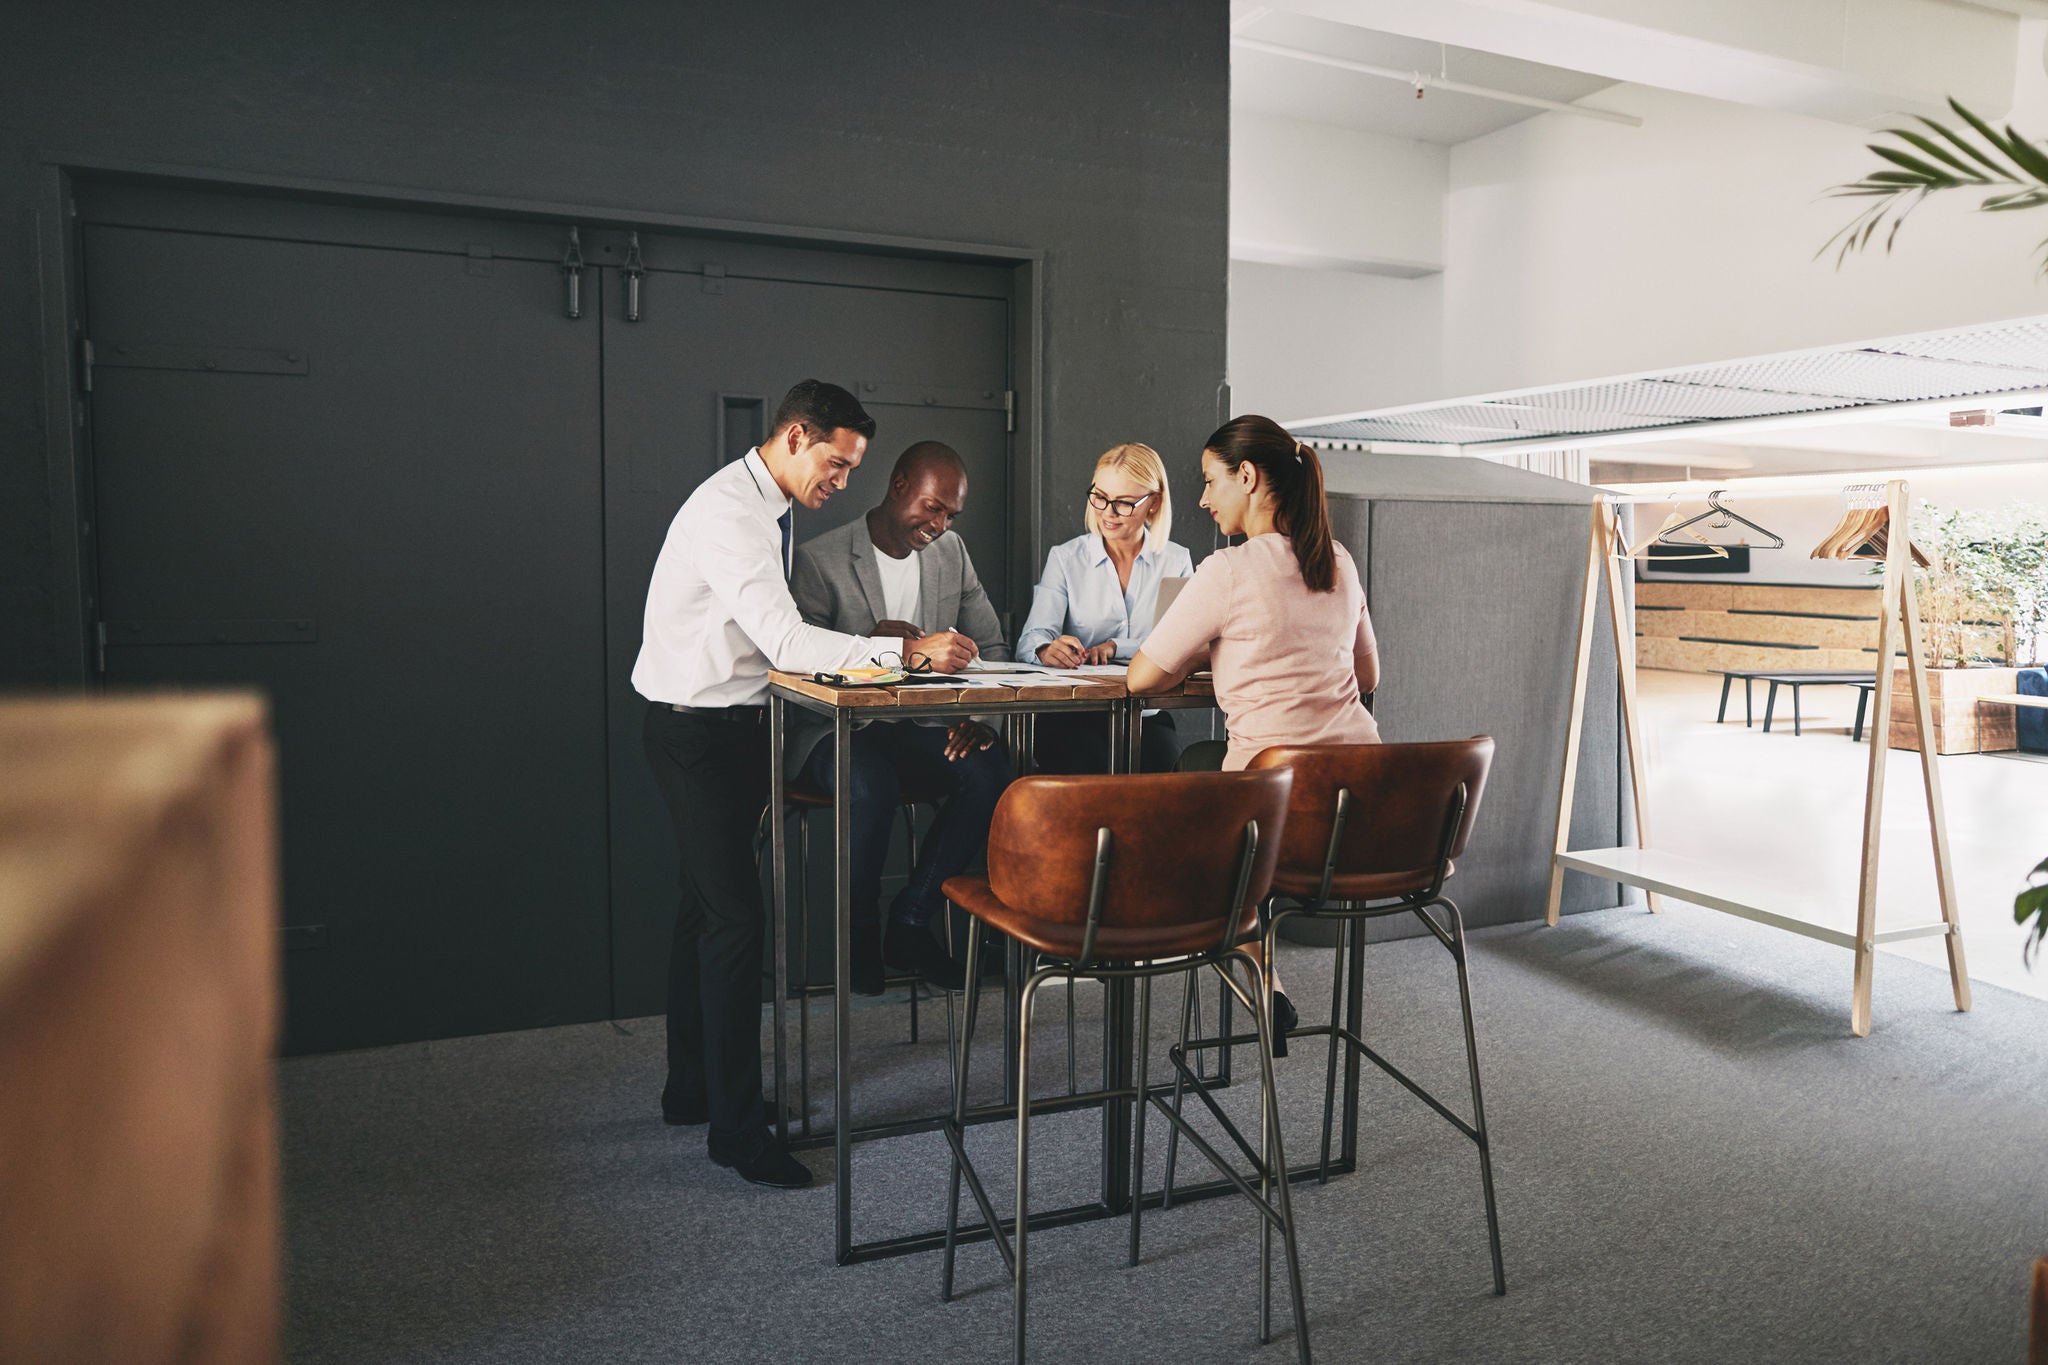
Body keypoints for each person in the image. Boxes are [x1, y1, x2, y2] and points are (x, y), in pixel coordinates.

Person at [633, 380, 976, 1189]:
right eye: (836, 462)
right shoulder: (733, 514)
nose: (843, 483)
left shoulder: (765, 505)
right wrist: (908, 654)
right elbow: (784, 640)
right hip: (697, 734)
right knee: (734, 923)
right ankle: (738, 1133)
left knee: (701, 913)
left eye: (852, 468)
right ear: (794, 436)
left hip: (735, 730)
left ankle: (692, 1091)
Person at [1127, 414, 1380, 1052]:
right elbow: (1368, 672)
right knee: (1207, 767)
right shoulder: (1339, 561)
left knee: (1199, 783)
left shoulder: (1226, 570)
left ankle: (1258, 974)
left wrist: (1218, 646)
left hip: (1271, 819)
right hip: (1365, 818)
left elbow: (1141, 678)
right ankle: (1258, 967)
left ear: (1248, 476)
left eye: (1212, 481)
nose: (1206, 499)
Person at [788, 441, 1012, 995]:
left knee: (991, 768)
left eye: (950, 514)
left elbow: (993, 645)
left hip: (922, 728)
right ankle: (857, 931)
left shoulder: (952, 554)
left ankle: (911, 921)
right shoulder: (821, 560)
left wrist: (980, 719)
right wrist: (874, 649)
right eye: (932, 508)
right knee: (869, 782)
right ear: (899, 487)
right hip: (837, 732)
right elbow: (795, 667)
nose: (939, 524)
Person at [1015, 442, 1194, 773]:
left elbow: (1184, 644)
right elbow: (1030, 639)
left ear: (1153, 503)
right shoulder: (1066, 558)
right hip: (1074, 715)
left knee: (1162, 772)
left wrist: (1115, 647)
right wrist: (1045, 648)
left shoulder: (1176, 561)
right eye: (1099, 497)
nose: (1107, 512)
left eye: (1124, 503)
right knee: (1089, 767)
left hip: (1146, 714)